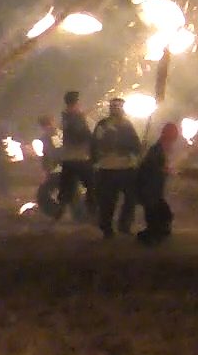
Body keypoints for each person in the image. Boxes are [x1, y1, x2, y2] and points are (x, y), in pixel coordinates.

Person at [91, 97, 143, 239]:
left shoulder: (127, 125)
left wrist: (138, 148)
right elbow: (95, 144)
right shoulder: (103, 125)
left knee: (131, 198)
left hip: (126, 167)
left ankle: (124, 225)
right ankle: (107, 228)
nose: (117, 109)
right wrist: (96, 161)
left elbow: (135, 144)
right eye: (114, 107)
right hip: (108, 168)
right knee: (108, 200)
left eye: (119, 107)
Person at [135, 120, 182, 245]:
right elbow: (151, 166)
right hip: (148, 185)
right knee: (155, 211)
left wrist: (167, 170)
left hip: (154, 187)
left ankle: (156, 232)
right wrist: (164, 170)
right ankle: (152, 235)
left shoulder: (162, 148)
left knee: (163, 213)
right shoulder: (157, 149)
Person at [53, 91, 94, 222]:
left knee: (67, 187)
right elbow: (83, 135)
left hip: (69, 158)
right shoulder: (76, 117)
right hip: (80, 158)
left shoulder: (65, 117)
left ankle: (59, 212)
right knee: (92, 185)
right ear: (76, 102)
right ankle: (91, 213)